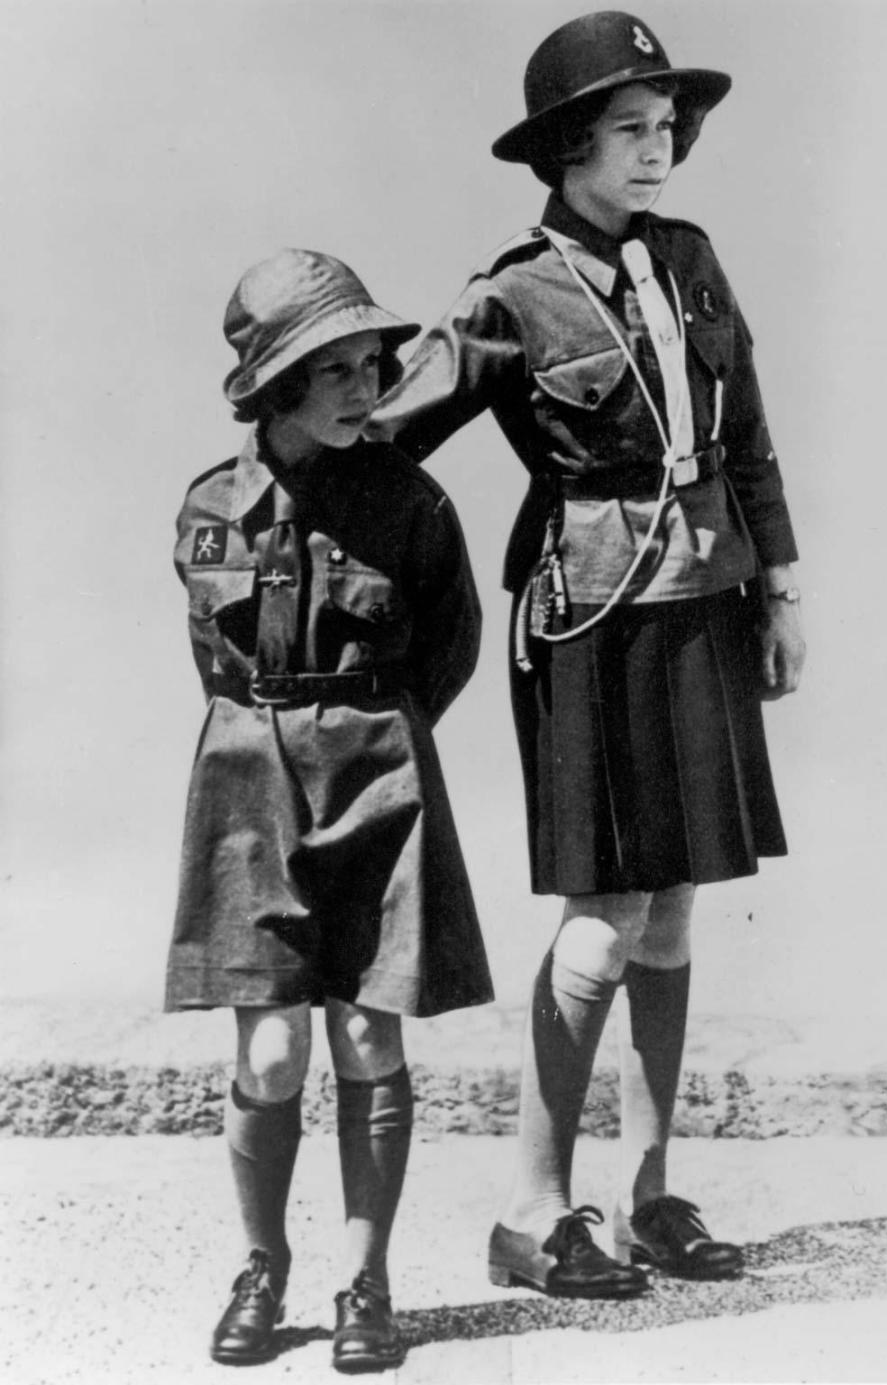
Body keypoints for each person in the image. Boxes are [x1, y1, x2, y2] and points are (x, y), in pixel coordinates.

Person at [370, 11, 805, 1299]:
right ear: (568, 147)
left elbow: (752, 437)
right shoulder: (511, 289)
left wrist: (781, 589)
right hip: (592, 618)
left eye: (668, 126)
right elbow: (382, 432)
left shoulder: (691, 258)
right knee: (605, 916)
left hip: (708, 605)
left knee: (673, 904)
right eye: (631, 129)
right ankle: (534, 1209)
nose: (659, 148)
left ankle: (651, 1189)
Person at [165, 248, 493, 1369]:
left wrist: (370, 734)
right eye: (336, 367)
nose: (366, 384)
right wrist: (278, 734)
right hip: (249, 782)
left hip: (380, 774)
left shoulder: (411, 502)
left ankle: (366, 1276)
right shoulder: (211, 505)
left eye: (372, 361)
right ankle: (263, 1263)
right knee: (266, 1053)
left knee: (363, 1030)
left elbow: (448, 648)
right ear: (275, 380)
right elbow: (213, 655)